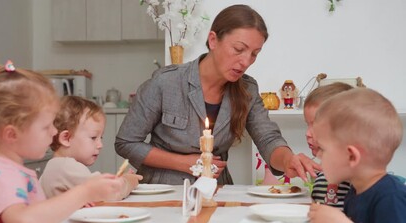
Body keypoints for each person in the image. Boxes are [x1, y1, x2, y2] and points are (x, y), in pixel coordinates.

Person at [115, 4, 320, 185]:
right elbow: (126, 143)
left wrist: (288, 160)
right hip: (164, 190)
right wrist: (184, 163)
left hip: (217, 190)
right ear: (213, 40)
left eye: (254, 54)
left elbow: (268, 138)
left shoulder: (247, 89)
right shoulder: (166, 82)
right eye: (239, 49)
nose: (246, 61)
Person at [0, 62, 123, 223]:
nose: (54, 132)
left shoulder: (11, 171)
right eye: (46, 126)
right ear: (11, 134)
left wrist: (69, 206)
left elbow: (36, 216)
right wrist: (83, 192)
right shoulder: (0, 175)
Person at [308, 88, 406, 223]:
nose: (319, 155)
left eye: (323, 149)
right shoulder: (355, 192)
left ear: (352, 156)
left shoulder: (391, 198)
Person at [40, 96, 142, 201]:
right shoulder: (67, 167)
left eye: (100, 138)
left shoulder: (55, 166)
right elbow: (109, 193)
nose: (100, 145)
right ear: (66, 138)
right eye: (93, 138)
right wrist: (128, 181)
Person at [303, 82, 353, 208]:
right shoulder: (322, 174)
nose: (307, 133)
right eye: (307, 125)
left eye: (314, 125)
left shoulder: (358, 179)